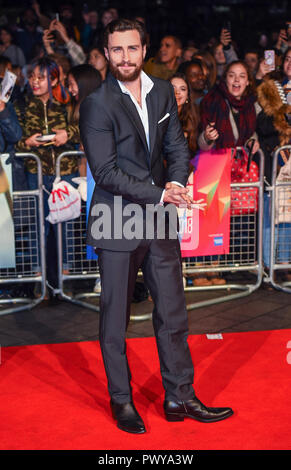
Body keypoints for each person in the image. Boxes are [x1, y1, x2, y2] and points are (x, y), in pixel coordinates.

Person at [79, 18, 233, 435]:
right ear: (108, 53)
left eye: (131, 49)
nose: (124, 57)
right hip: (117, 218)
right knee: (115, 318)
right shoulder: (97, 103)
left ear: (143, 50)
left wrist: (178, 182)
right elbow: (106, 172)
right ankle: (122, 400)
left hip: (160, 218)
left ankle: (180, 395)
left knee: (173, 312)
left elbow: (176, 148)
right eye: (116, 50)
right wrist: (161, 193)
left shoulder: (163, 91)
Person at [15, 57, 80, 291]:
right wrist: (27, 143)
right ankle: (38, 283)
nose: (34, 81)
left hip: (67, 173)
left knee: (67, 228)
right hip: (37, 175)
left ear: (53, 79)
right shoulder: (22, 105)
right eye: (32, 77)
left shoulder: (67, 104)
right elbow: (13, 141)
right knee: (37, 228)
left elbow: (85, 127)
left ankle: (66, 281)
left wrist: (68, 134)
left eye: (40, 77)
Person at [256, 47, 291, 279]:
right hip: (276, 164)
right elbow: (260, 121)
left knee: (288, 215)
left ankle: (286, 262)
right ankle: (270, 265)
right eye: (288, 58)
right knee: (272, 215)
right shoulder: (273, 87)